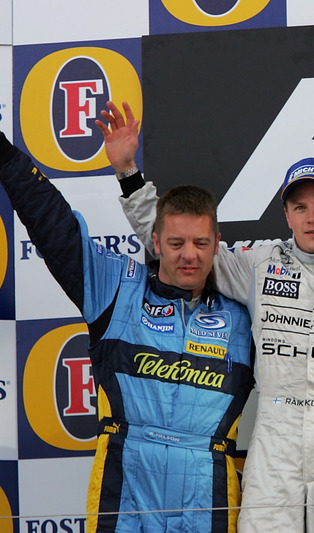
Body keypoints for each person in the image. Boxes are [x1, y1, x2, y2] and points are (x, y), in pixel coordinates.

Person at [98, 102, 314, 533]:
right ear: (286, 215)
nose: (312, 217)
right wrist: (129, 174)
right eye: (300, 207)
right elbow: (177, 246)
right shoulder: (260, 265)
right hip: (274, 439)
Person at [0, 131, 255, 532]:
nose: (189, 255)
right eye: (175, 243)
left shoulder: (247, 309)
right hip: (125, 484)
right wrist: (5, 156)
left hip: (209, 489)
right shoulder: (116, 286)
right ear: (154, 241)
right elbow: (53, 223)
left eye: (200, 243)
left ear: (217, 244)